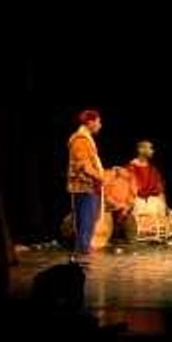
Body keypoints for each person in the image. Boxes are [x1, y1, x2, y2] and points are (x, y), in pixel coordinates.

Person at [67, 109, 105, 255]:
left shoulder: (86, 139)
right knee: (85, 220)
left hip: (89, 185)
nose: (100, 125)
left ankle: (83, 249)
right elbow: (84, 166)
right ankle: (83, 251)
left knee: (88, 220)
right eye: (98, 122)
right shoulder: (80, 140)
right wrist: (100, 177)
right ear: (90, 122)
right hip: (84, 186)